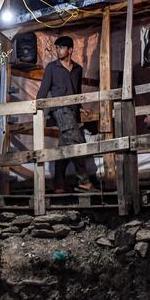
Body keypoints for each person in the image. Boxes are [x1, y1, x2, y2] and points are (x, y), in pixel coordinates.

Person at [36, 35, 94, 193]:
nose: (58, 50)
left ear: (70, 50)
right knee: (78, 142)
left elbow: (77, 91)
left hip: (73, 112)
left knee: (64, 148)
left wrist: (80, 107)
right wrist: (38, 110)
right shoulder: (51, 68)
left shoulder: (77, 69)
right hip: (58, 110)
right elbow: (43, 90)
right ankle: (84, 181)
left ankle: (59, 184)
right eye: (57, 47)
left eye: (61, 47)